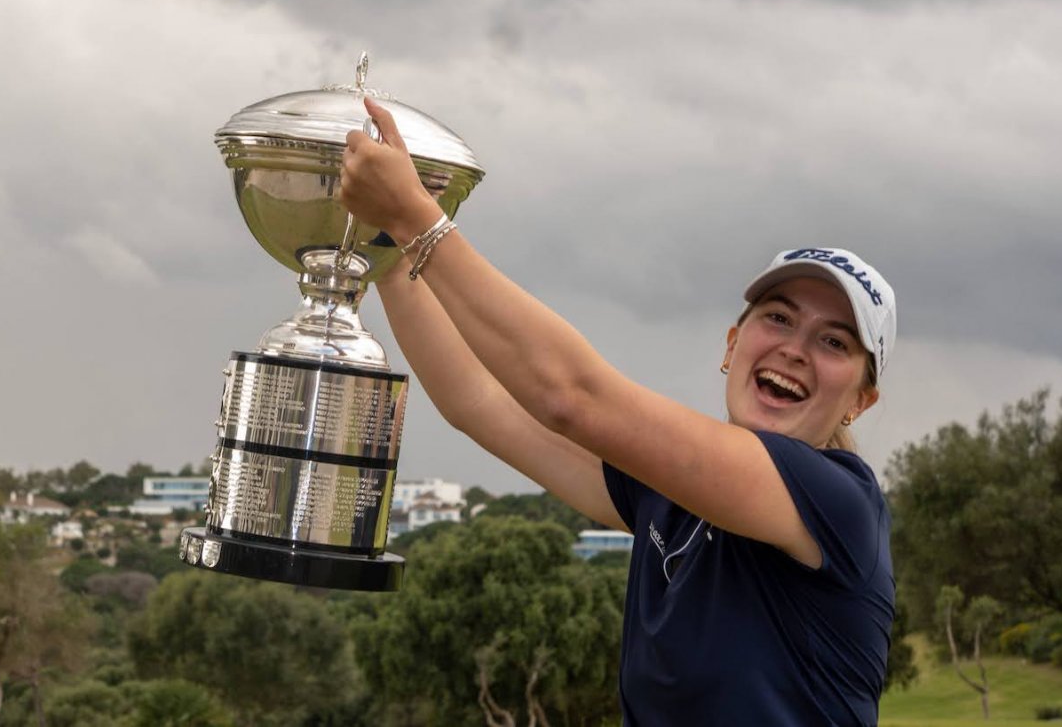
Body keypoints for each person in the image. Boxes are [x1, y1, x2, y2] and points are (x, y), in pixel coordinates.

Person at [340, 96, 897, 727]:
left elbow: (571, 397)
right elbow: (479, 400)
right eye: (778, 318)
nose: (795, 349)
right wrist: (390, 255)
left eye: (834, 342)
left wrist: (416, 217)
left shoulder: (838, 503)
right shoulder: (672, 495)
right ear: (732, 345)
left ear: (860, 401)